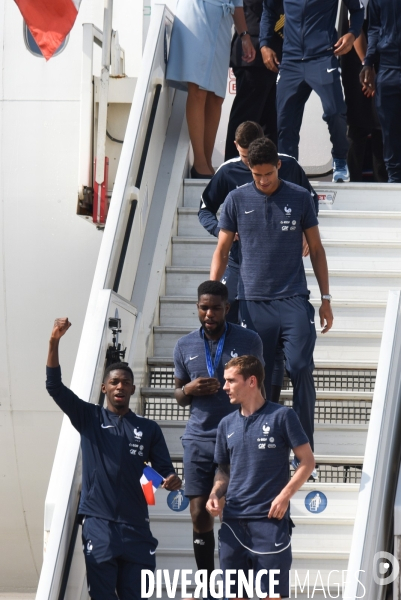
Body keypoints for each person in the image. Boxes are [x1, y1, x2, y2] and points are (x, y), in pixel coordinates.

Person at [210, 137, 333, 454]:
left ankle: (304, 449)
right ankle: (260, 445)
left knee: (301, 365)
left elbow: (316, 249)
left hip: (293, 300)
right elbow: (222, 249)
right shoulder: (236, 199)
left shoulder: (300, 197)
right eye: (256, 175)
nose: (263, 180)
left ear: (279, 166)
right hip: (253, 303)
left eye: (268, 173)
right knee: (255, 378)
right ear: (249, 169)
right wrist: (213, 292)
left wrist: (326, 299)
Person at [46, 318, 181, 600]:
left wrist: (170, 480)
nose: (120, 386)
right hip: (100, 523)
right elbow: (55, 387)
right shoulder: (90, 417)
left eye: (126, 383)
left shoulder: (148, 429)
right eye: (114, 382)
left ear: (133, 389)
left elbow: (164, 472)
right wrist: (54, 342)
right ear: (105, 388)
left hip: (136, 529)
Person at [199, 120, 318, 401]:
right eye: (244, 158)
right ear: (237, 149)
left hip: (281, 272)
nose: (261, 179)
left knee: (278, 350)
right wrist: (223, 232)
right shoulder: (228, 172)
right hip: (242, 266)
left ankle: (271, 402)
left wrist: (306, 232)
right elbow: (204, 211)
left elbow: (310, 202)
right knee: (246, 341)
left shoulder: (288, 166)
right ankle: (238, 401)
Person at [173, 280, 264, 593]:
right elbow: (179, 395)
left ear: (227, 308)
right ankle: (208, 585)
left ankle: (239, 586)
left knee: (239, 513)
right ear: (197, 308)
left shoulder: (249, 339)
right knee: (199, 513)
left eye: (215, 307)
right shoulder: (183, 346)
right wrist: (188, 389)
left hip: (238, 436)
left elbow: (258, 388)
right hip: (198, 438)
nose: (208, 313)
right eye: (203, 307)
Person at [206, 355, 315, 599]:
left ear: (251, 381)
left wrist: (285, 496)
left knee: (271, 596)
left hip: (270, 522)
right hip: (233, 521)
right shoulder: (225, 424)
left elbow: (307, 462)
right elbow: (223, 470)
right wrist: (215, 493)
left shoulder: (282, 416)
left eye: (231, 381)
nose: (224, 387)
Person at [260, 0, 364, 182]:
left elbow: (357, 10)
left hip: (323, 57)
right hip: (291, 61)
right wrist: (264, 44)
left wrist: (352, 34)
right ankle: (288, 172)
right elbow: (268, 9)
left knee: (335, 112)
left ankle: (339, 160)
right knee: (285, 122)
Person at [166, 0, 255, 178]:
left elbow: (237, 2)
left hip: (223, 20)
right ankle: (199, 163)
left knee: (216, 96)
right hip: (196, 12)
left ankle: (206, 161)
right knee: (198, 89)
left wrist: (244, 35)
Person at [224, 0, 284, 160]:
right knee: (246, 119)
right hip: (253, 49)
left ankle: (266, 166)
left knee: (270, 121)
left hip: (276, 49)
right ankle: (233, 165)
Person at [340, 6, 387, 182]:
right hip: (359, 58)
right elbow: (356, 25)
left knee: (381, 127)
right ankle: (353, 182)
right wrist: (367, 66)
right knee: (358, 125)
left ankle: (382, 185)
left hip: (380, 58)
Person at [360, 0, 401, 183]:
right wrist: (368, 62)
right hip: (387, 68)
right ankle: (395, 187)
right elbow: (374, 29)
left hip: (388, 69)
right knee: (390, 136)